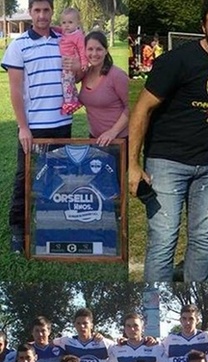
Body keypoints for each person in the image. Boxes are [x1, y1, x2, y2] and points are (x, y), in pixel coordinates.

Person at [128, 0, 208, 281]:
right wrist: (132, 164)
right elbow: (141, 110)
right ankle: (154, 308)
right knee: (164, 239)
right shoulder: (175, 61)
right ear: (203, 28)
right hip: (166, 164)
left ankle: (195, 301)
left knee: (203, 240)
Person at [2, 0, 77, 252]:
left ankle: (52, 225)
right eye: (37, 10)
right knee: (25, 177)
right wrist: (23, 127)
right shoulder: (18, 45)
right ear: (30, 12)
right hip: (34, 125)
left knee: (57, 176)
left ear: (52, 11)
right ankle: (18, 229)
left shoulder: (63, 38)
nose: (42, 15)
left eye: (46, 10)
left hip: (62, 122)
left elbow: (75, 74)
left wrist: (76, 67)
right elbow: (15, 90)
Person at [78, 31, 129, 146]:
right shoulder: (85, 74)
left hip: (117, 140)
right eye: (90, 49)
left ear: (106, 51)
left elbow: (130, 106)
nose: (94, 53)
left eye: (99, 49)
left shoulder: (117, 75)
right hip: (95, 138)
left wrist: (113, 132)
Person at [56, 7, 87, 115]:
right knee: (71, 83)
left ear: (77, 22)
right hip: (66, 62)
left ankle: (68, 103)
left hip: (70, 63)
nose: (66, 25)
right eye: (64, 22)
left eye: (70, 22)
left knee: (66, 83)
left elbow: (82, 50)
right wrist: (52, 28)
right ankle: (75, 99)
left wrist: (83, 63)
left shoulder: (78, 35)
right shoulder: (65, 32)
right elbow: (59, 29)